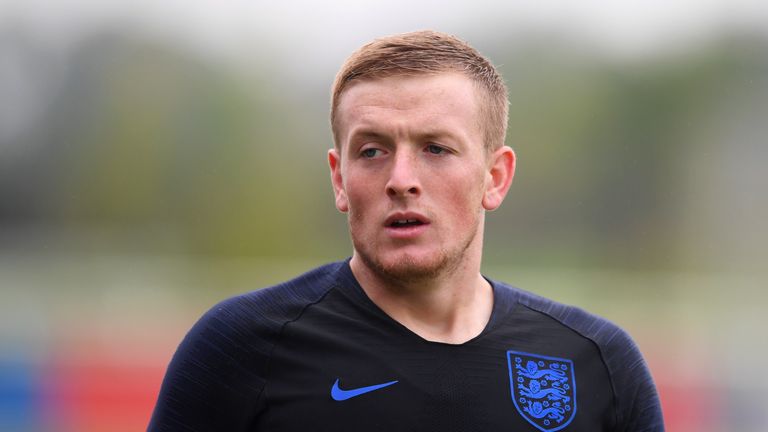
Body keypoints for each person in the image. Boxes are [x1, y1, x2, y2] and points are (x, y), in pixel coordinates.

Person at [149, 30, 664, 431]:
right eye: (372, 150)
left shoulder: (596, 363)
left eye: (436, 149)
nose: (401, 180)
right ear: (339, 178)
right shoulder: (240, 347)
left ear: (495, 177)